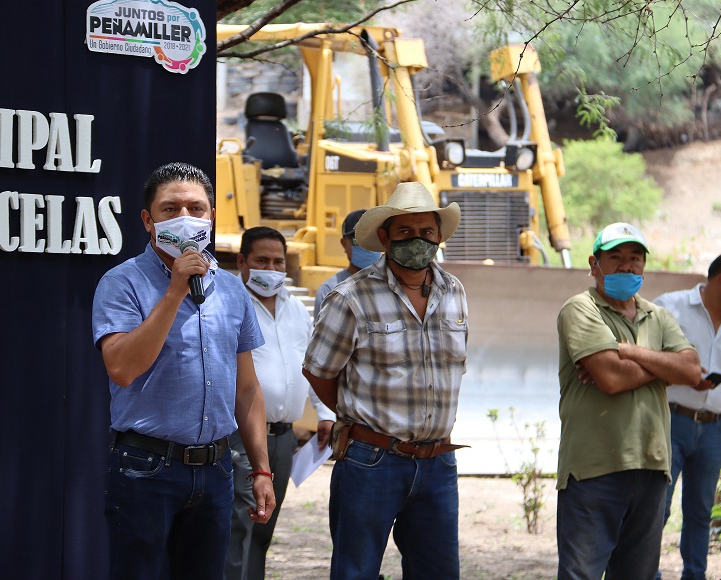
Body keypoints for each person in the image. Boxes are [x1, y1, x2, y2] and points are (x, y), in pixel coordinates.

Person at [92, 162, 276, 580]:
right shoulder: (122, 282)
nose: (185, 218)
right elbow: (121, 368)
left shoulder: (231, 289)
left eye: (196, 208)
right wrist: (175, 291)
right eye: (170, 209)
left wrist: (261, 469)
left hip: (215, 470)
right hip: (146, 469)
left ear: (212, 216)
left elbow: (246, 389)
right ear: (148, 219)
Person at [302, 181, 469, 580]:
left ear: (440, 236)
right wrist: (356, 417)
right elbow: (318, 371)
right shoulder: (350, 297)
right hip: (371, 461)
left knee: (439, 573)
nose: (418, 241)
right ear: (384, 237)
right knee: (356, 572)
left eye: (426, 232)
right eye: (405, 232)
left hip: (437, 461)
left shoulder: (454, 292)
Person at [555, 222, 701, 580]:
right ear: (594, 264)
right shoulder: (580, 309)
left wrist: (627, 351)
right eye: (615, 257)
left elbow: (693, 371)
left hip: (651, 467)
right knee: (581, 575)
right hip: (594, 469)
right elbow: (610, 378)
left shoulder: (658, 315)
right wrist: (665, 364)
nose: (626, 266)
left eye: (635, 258)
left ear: (643, 265)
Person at [225, 226, 335, 580]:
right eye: (262, 260)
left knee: (263, 526)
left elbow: (311, 367)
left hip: (283, 439)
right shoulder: (227, 304)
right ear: (242, 262)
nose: (271, 269)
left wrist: (324, 414)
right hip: (240, 436)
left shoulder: (297, 311)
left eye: (278, 261)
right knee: (236, 526)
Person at [652, 250, 721, 580]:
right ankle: (643, 573)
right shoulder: (670, 307)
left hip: (714, 430)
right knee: (655, 509)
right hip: (670, 421)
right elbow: (642, 360)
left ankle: (694, 575)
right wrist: (679, 375)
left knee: (700, 513)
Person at [312, 209, 381, 321]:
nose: (366, 245)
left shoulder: (395, 285)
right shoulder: (330, 291)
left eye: (373, 238)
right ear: (344, 244)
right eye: (357, 240)